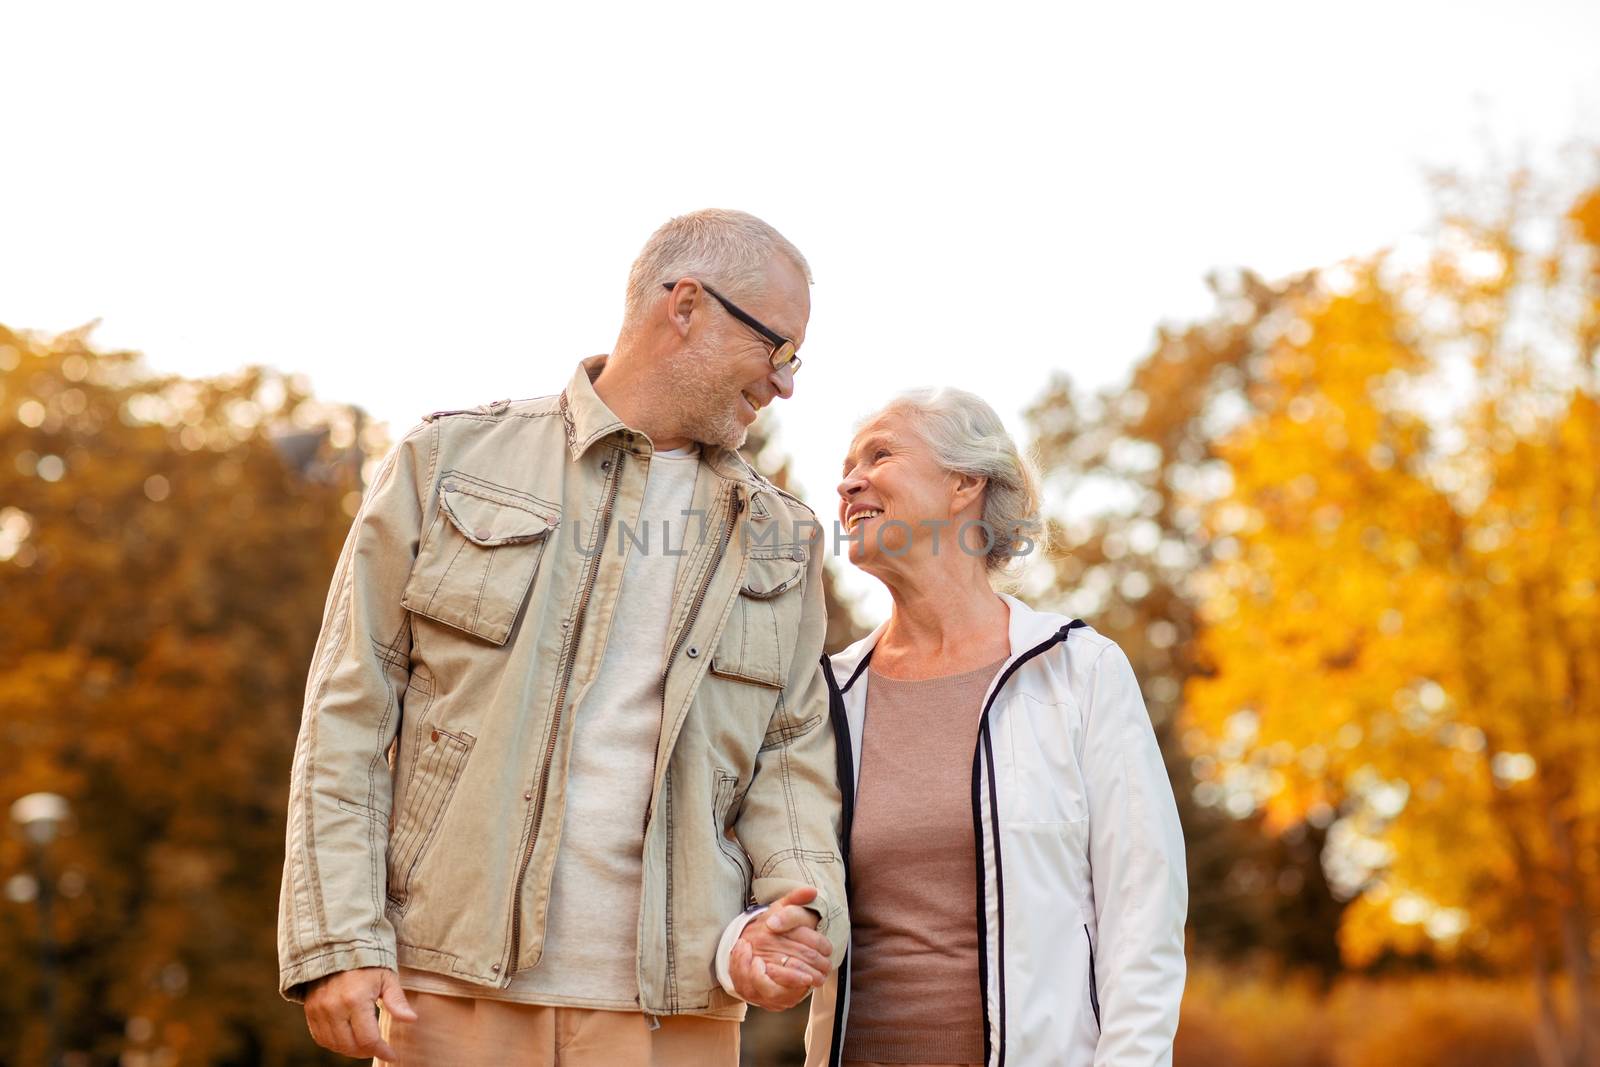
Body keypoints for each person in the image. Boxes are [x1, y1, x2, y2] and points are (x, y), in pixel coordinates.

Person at [277, 209, 848, 1066]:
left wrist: (797, 913)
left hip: (678, 1014)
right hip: (448, 991)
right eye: (778, 348)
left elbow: (791, 757)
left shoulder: (783, 537)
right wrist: (338, 939)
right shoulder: (447, 461)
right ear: (684, 304)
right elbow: (349, 711)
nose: (786, 384)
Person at [805, 389, 1187, 1067]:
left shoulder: (1077, 670)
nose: (849, 480)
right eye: (846, 464)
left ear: (964, 482)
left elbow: (1143, 916)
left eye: (880, 453)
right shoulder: (829, 694)